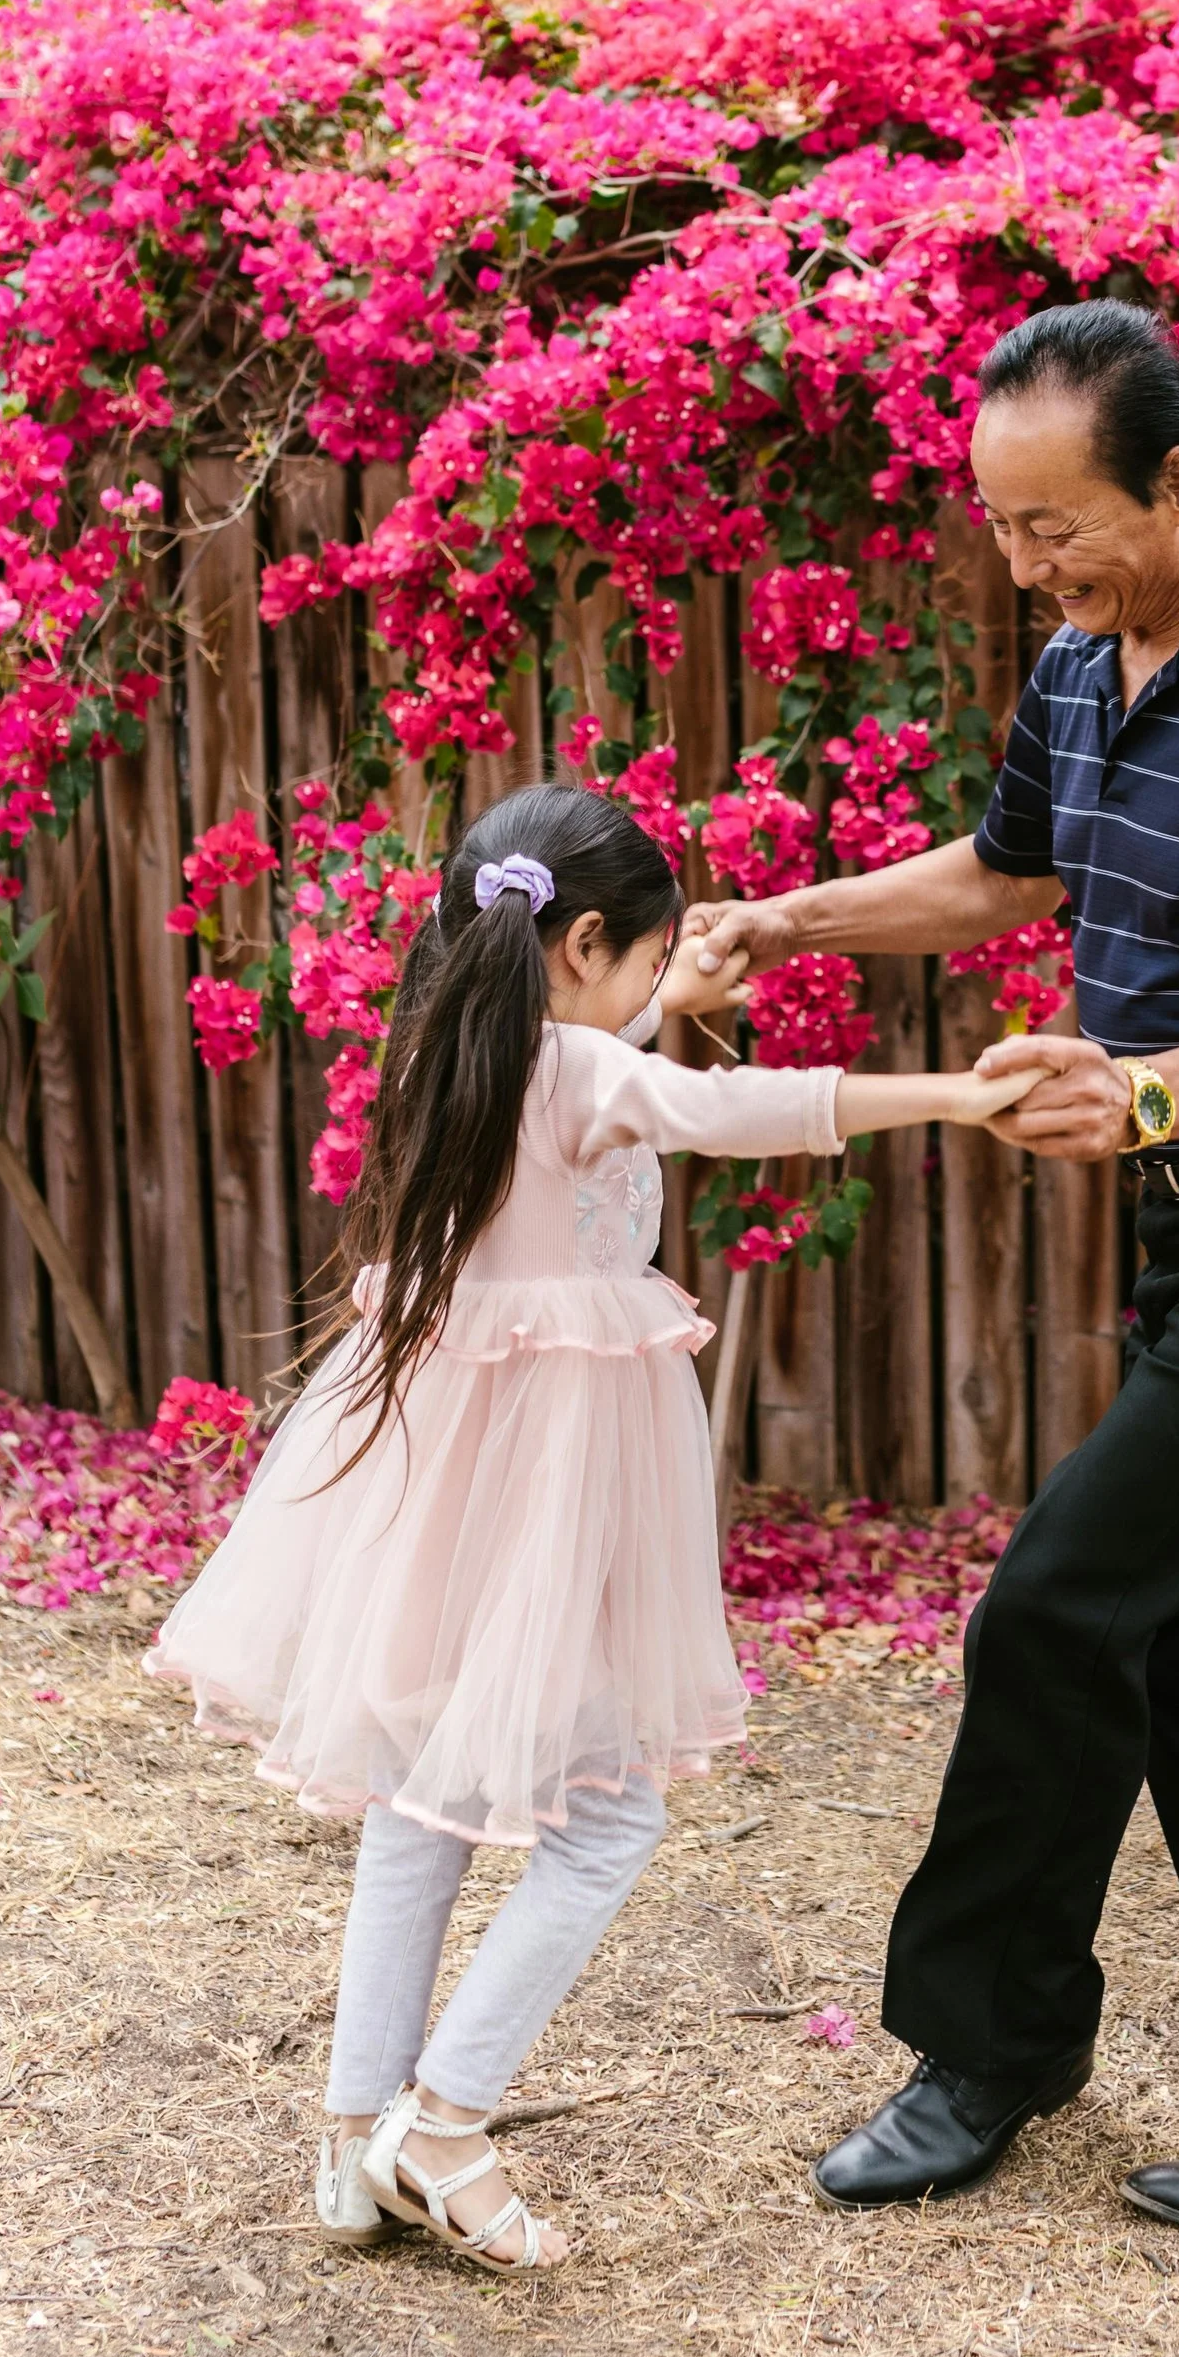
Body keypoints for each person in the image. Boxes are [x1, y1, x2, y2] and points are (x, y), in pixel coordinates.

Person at [685, 301, 1179, 2234]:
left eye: (1056, 526)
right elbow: (1007, 873)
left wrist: (1136, 1100)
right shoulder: (1083, 663)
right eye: (1003, 526)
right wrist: (782, 916)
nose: (1025, 564)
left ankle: (997, 2043)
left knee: (1055, 1607)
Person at [147, 782, 1042, 2277]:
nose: (655, 987)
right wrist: (956, 1093)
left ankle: (355, 2125)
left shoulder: (451, 1038)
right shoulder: (575, 1067)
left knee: (422, 1795)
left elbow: (594, 1062)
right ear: (578, 944)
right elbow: (721, 1106)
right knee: (608, 1813)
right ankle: (440, 2119)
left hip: (440, 1472)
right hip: (546, 1478)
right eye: (645, 960)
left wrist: (661, 997)